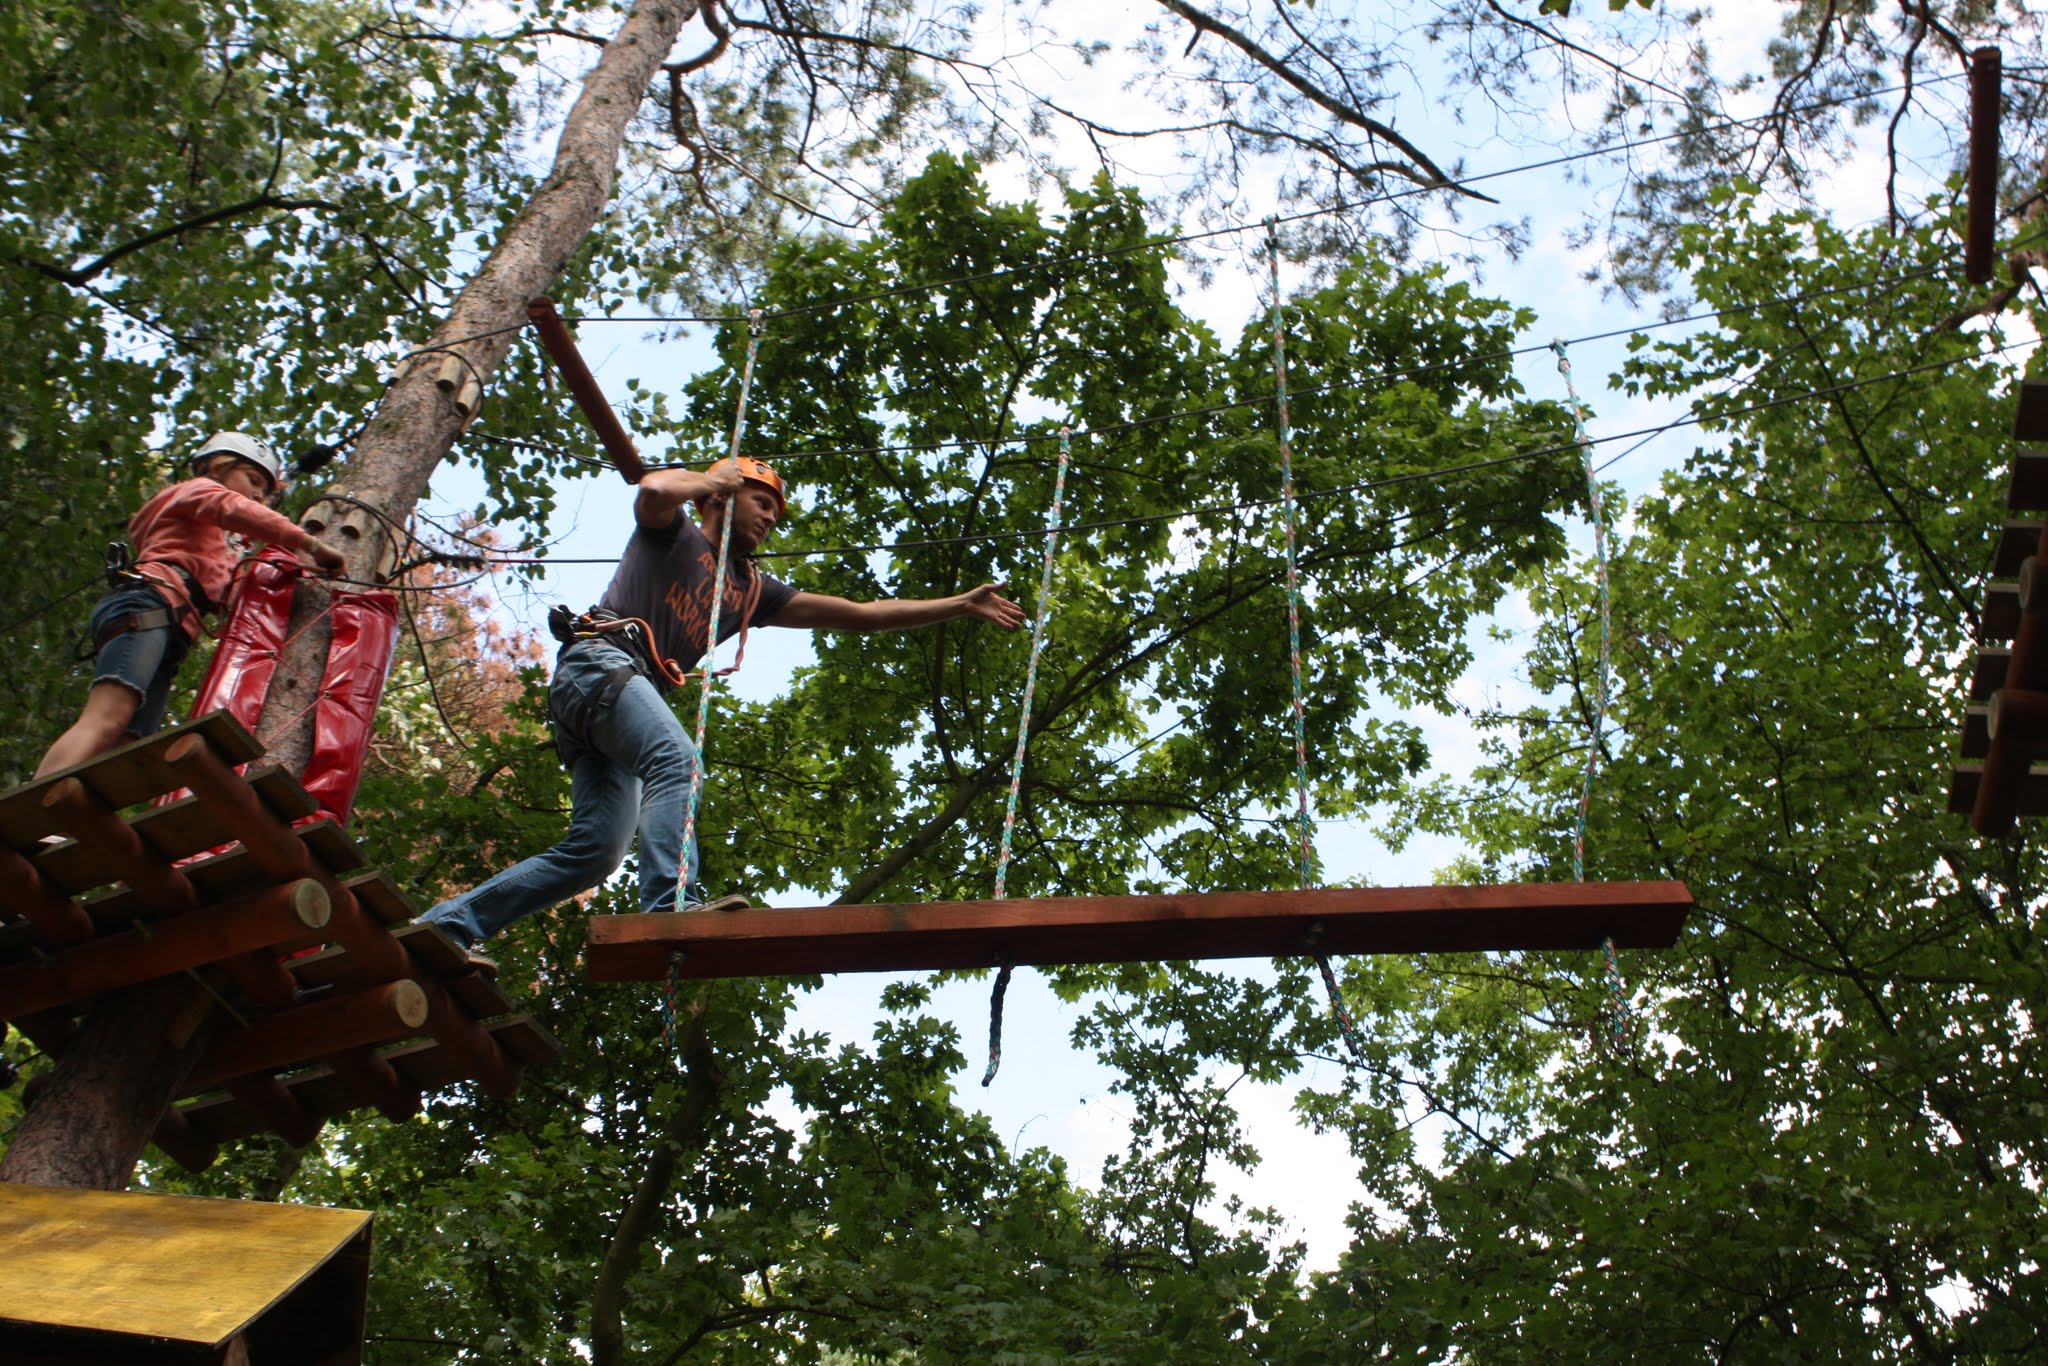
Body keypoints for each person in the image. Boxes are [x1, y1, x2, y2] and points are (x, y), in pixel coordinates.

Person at [419, 455, 1023, 964]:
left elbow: (861, 613)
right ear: (724, 495)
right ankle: (670, 909)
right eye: (761, 501)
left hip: (612, 701)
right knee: (676, 760)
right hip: (599, 665)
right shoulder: (673, 534)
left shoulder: (753, 590)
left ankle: (447, 927)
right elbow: (654, 488)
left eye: (774, 511)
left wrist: (958, 605)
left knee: (596, 854)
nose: (770, 517)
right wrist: (714, 481)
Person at [35, 432, 346, 778]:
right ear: (216, 467)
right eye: (253, 480)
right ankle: (33, 812)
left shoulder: (215, 542)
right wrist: (310, 545)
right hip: (149, 607)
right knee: (108, 716)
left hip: (169, 626)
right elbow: (234, 509)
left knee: (129, 743)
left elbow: (234, 586)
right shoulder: (196, 490)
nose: (260, 495)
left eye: (265, 490)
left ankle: (71, 823)